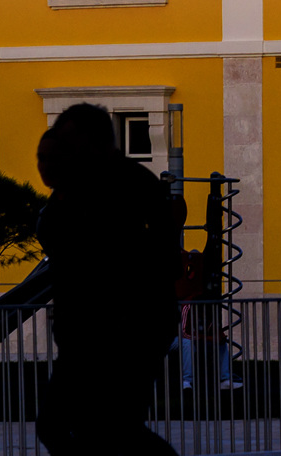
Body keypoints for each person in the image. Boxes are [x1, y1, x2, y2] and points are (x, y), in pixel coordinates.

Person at [33, 105, 183, 456]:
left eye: (69, 145)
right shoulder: (75, 189)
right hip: (89, 331)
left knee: (106, 427)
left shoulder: (126, 184)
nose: (60, 158)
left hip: (125, 330)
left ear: (94, 142)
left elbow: (161, 258)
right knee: (88, 427)